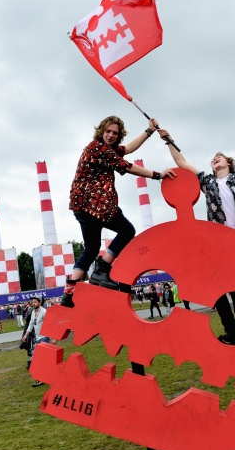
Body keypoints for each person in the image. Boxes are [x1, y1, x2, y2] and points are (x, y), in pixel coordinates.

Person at [161, 130, 235, 345]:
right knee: (216, 288)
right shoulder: (208, 182)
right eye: (213, 159)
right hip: (218, 243)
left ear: (228, 163)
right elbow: (181, 161)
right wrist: (168, 141)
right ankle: (231, 329)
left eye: (219, 157)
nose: (215, 159)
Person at [61, 116, 176, 307]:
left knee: (90, 248)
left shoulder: (107, 149)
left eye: (115, 133)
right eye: (108, 131)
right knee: (127, 230)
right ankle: (102, 269)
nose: (111, 135)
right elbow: (127, 166)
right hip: (95, 204)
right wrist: (158, 175)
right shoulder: (97, 148)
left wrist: (149, 131)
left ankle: (68, 294)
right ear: (101, 131)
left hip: (83, 206)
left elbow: (128, 149)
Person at [21, 297, 52, 388]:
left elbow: (50, 324)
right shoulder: (33, 312)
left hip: (45, 338)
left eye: (35, 302)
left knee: (39, 359)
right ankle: (45, 377)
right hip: (38, 339)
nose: (33, 303)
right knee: (42, 359)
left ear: (40, 302)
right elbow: (31, 324)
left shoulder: (44, 312)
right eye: (32, 302)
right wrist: (26, 335)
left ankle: (41, 378)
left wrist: (52, 338)